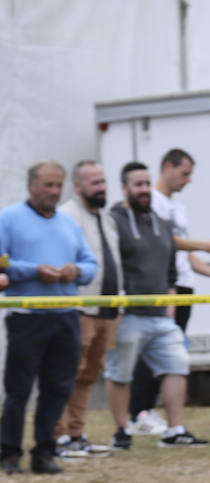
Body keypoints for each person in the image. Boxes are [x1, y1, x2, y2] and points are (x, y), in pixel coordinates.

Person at [129, 148, 210, 437]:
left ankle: (151, 412)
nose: (188, 180)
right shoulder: (153, 202)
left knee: (171, 354)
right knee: (153, 352)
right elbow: (164, 244)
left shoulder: (179, 208)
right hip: (164, 287)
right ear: (167, 167)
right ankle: (139, 412)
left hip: (183, 286)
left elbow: (185, 254)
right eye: (184, 173)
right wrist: (205, 245)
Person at [0, 160, 96, 475]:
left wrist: (75, 270)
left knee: (58, 387)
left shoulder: (69, 224)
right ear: (31, 185)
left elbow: (90, 264)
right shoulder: (10, 218)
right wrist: (34, 270)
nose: (54, 192)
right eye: (48, 185)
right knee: (19, 388)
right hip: (27, 316)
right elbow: (2, 263)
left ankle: (45, 452)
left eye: (58, 185)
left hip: (66, 315)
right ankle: (9, 452)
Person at [104, 162, 209, 448]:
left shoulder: (160, 223)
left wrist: (172, 293)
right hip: (128, 314)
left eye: (146, 184)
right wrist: (117, 308)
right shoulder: (113, 220)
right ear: (125, 188)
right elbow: (110, 265)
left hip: (161, 314)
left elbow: (170, 261)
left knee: (177, 366)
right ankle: (122, 431)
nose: (143, 190)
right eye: (137, 184)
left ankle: (175, 431)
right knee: (120, 373)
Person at [54, 160, 122, 458]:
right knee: (66, 372)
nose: (101, 187)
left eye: (103, 181)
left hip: (108, 310)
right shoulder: (66, 216)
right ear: (78, 186)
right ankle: (57, 436)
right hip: (81, 309)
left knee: (88, 376)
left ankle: (76, 433)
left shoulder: (107, 219)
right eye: (95, 183)